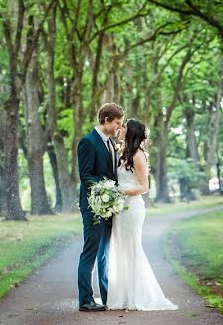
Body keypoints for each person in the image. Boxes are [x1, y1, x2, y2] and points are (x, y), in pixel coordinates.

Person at [106, 118, 178, 311]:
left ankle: (137, 295)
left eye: (124, 127)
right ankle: (121, 295)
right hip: (119, 209)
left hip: (132, 208)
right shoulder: (122, 153)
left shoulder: (138, 156)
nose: (120, 129)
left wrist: (120, 192)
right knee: (120, 249)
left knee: (132, 249)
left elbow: (144, 187)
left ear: (131, 132)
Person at [76, 102, 123, 312]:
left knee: (104, 254)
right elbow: (86, 176)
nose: (119, 128)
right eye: (117, 123)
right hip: (93, 207)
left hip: (108, 207)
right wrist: (107, 190)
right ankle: (85, 299)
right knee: (91, 253)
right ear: (106, 120)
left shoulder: (111, 144)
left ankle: (107, 297)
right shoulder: (88, 142)